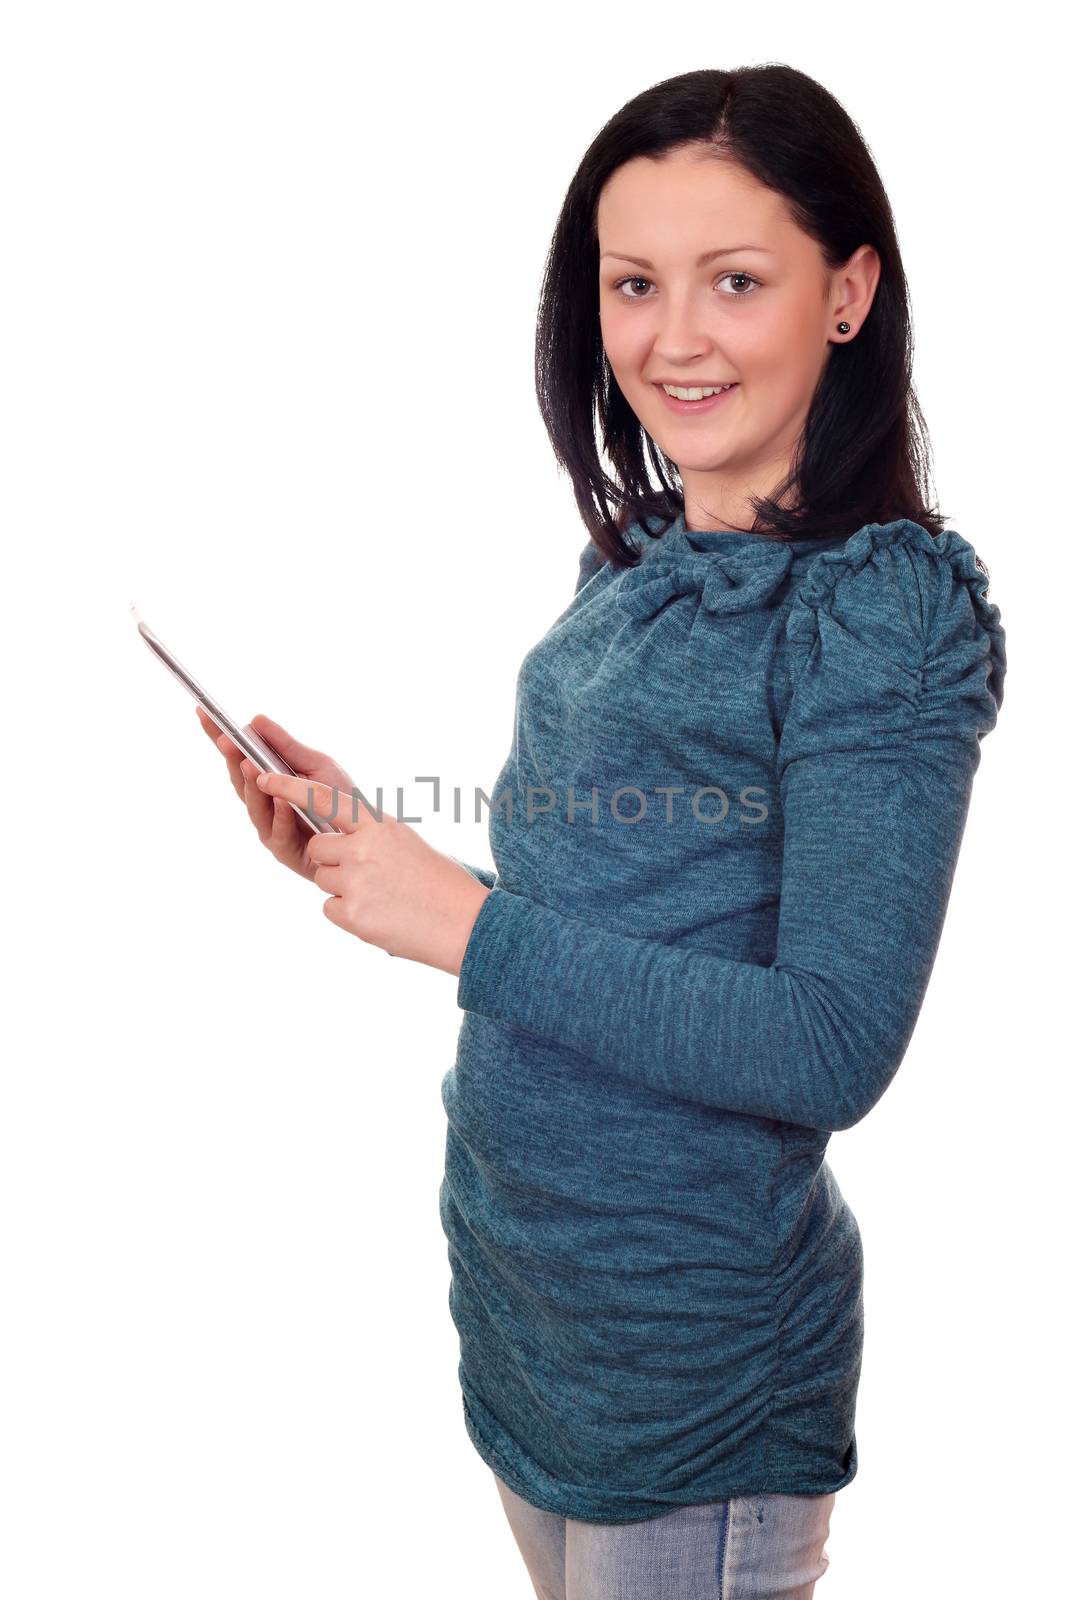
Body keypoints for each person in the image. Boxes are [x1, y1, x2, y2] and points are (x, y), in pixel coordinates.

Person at [197, 63, 1007, 1600]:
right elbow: (615, 921)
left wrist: (463, 922)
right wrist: (376, 857)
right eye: (635, 283)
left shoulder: (880, 616)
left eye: (737, 281)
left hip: (691, 1388)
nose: (674, 337)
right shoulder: (637, 557)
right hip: (537, 1333)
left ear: (849, 292)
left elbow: (833, 1042)